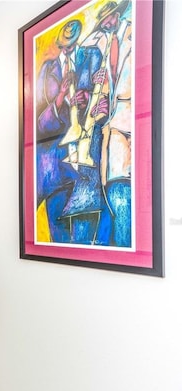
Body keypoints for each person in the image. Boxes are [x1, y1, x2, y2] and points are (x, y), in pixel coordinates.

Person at [35, 19, 103, 244]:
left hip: (85, 166)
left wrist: (85, 99)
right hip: (56, 170)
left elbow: (101, 97)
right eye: (63, 47)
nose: (67, 51)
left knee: (84, 244)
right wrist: (61, 98)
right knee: (59, 240)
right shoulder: (47, 71)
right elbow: (40, 125)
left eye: (71, 46)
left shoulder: (91, 57)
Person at [81, 0, 132, 247]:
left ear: (118, 14)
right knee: (111, 192)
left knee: (121, 195)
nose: (108, 23)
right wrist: (97, 85)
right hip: (111, 130)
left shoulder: (132, 34)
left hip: (128, 125)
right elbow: (107, 87)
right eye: (104, 20)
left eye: (111, 17)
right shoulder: (105, 44)